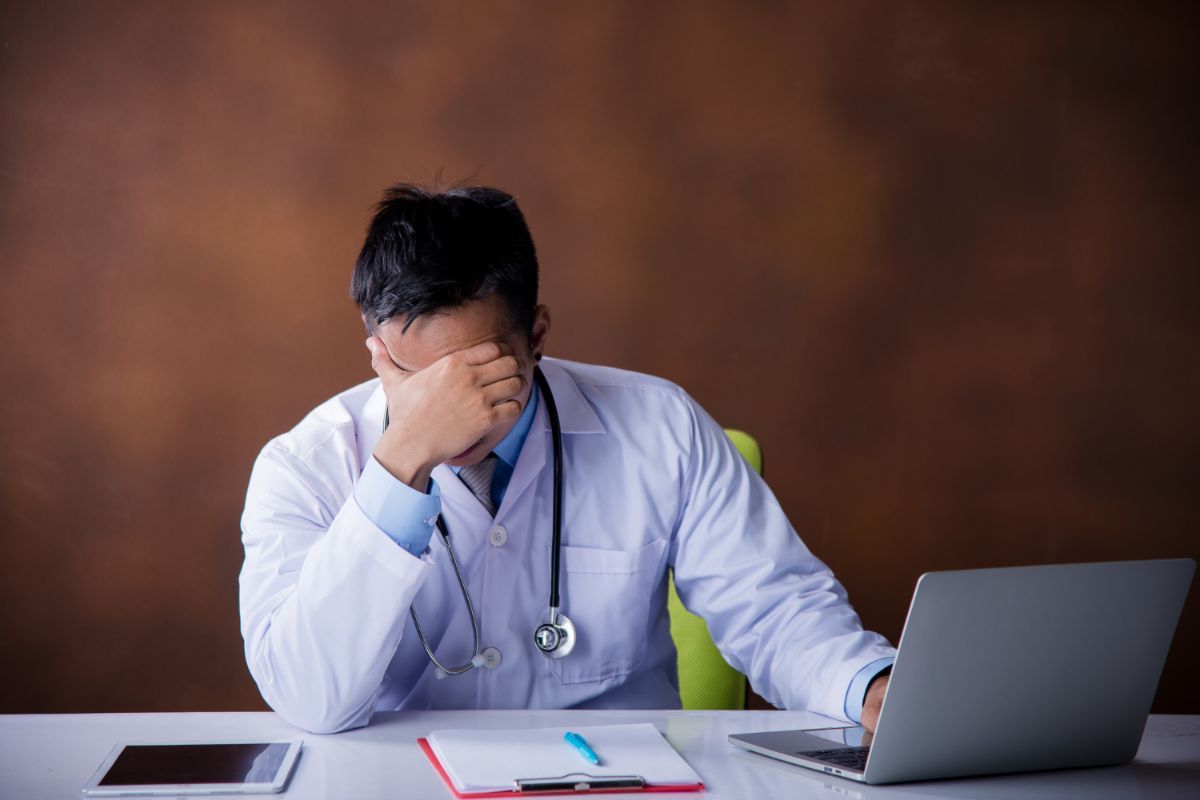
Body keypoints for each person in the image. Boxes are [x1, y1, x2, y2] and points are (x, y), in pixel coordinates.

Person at [239, 183, 895, 735]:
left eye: (482, 375)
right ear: (377, 352)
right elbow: (309, 699)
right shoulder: (303, 465)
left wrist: (868, 686)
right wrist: (402, 460)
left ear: (538, 336)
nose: (453, 408)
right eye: (419, 380)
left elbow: (775, 609)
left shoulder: (662, 427)